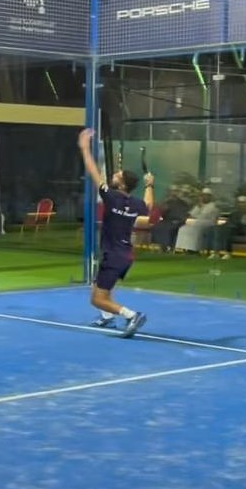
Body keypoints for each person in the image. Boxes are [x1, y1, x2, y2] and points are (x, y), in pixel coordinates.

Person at [78, 129, 154, 338]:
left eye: (116, 176)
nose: (113, 176)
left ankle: (131, 315)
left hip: (114, 255)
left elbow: (93, 172)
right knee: (98, 287)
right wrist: (150, 185)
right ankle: (107, 316)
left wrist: (84, 148)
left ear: (121, 184)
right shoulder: (135, 203)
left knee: (97, 299)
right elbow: (148, 205)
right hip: (124, 254)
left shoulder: (111, 197)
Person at [209, 195, 246, 259]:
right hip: (232, 228)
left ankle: (228, 253)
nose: (241, 204)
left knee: (229, 230)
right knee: (218, 228)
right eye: (240, 203)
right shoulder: (234, 213)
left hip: (243, 230)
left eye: (243, 203)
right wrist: (223, 226)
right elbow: (229, 222)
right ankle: (216, 252)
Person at [174, 188, 219, 253]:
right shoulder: (199, 205)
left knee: (194, 228)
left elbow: (203, 215)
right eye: (203, 195)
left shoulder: (212, 206)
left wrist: (199, 209)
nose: (204, 197)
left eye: (206, 196)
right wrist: (198, 207)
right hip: (198, 222)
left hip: (209, 222)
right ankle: (182, 248)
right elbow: (192, 214)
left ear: (210, 197)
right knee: (183, 228)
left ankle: (193, 249)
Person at [151, 185, 190, 252]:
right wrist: (164, 207)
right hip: (167, 221)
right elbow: (162, 213)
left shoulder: (183, 203)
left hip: (178, 221)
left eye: (175, 191)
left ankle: (168, 247)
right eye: (172, 191)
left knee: (168, 228)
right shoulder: (167, 202)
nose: (173, 193)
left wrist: (179, 220)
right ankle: (163, 246)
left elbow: (183, 215)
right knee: (157, 226)